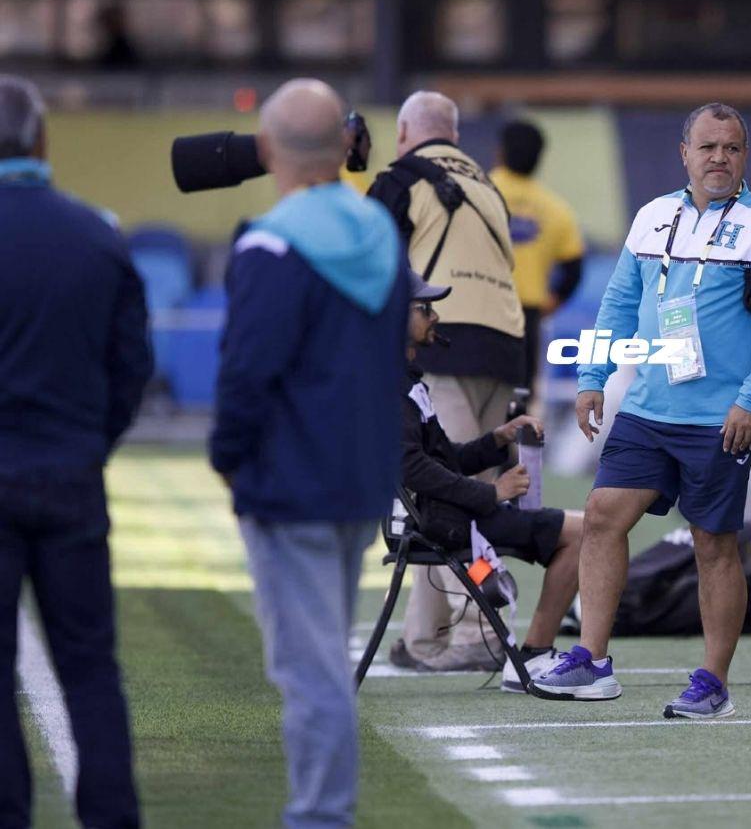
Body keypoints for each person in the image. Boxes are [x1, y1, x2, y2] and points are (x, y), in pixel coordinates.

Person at [532, 103, 751, 718]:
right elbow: (619, 300)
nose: (719, 158)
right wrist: (593, 375)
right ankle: (594, 661)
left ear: (745, 157)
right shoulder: (654, 217)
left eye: (732, 148)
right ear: (683, 152)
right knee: (604, 515)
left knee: (713, 544)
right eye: (707, 147)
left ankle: (713, 682)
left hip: (723, 415)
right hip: (649, 405)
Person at [209, 78, 407, 827]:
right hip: (360, 477)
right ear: (343, 146)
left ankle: (321, 816)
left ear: (267, 150)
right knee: (323, 656)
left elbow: (247, 370)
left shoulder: (273, 243)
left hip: (289, 480)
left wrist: (228, 456)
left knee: (310, 666)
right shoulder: (381, 236)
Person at [0, 75, 150, 828]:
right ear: (41, 140)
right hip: (69, 472)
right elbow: (132, 367)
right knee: (90, 667)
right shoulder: (97, 233)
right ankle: (112, 818)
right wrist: (92, 441)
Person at [367, 91, 525, 672]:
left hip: (442, 334)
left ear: (406, 129)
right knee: (451, 495)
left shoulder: (402, 178)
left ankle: (477, 634)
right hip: (506, 343)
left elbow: (371, 263)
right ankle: (425, 636)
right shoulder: (489, 186)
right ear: (453, 135)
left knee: (438, 493)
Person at [394, 271, 583, 690]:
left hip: (453, 514)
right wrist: (491, 492)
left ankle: (531, 652)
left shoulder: (406, 380)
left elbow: (450, 458)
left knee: (585, 530)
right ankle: (532, 656)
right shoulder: (391, 384)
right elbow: (412, 469)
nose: (435, 316)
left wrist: (497, 440)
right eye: (423, 309)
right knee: (586, 533)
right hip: (450, 521)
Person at [490, 120, 586, 398]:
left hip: (481, 310)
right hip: (527, 317)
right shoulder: (557, 209)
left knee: (476, 397)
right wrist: (548, 305)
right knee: (520, 401)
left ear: (500, 152)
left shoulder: (477, 193)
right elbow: (573, 270)